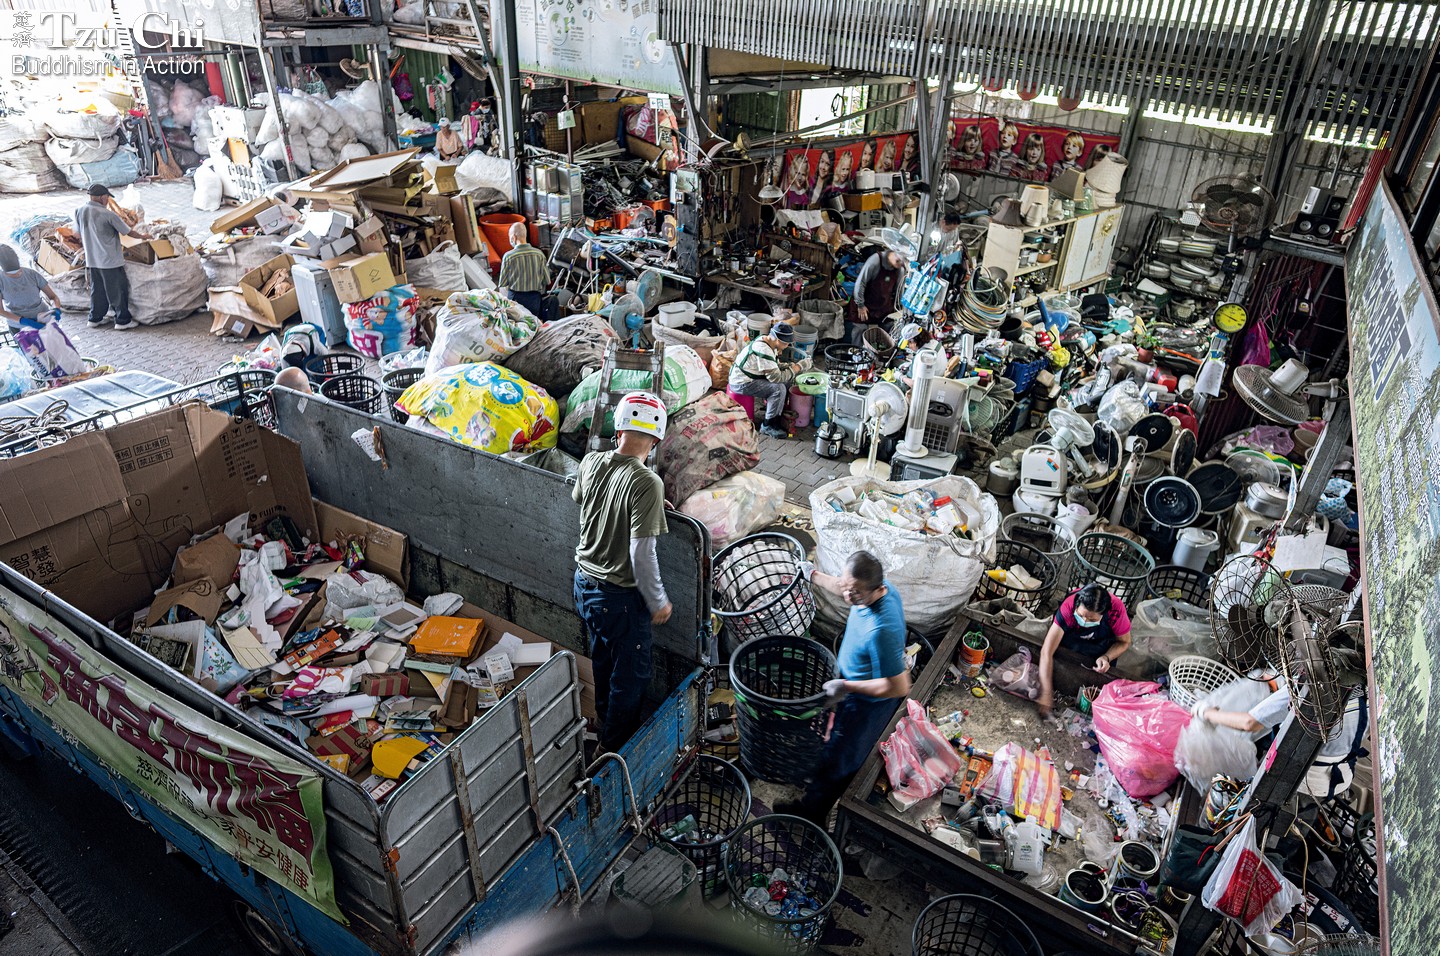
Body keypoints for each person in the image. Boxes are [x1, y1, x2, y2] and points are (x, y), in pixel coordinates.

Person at [776, 551, 910, 827]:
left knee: (841, 762)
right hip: (848, 688)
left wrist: (846, 686)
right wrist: (811, 574)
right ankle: (816, 779)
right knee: (827, 742)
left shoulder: (880, 629)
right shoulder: (868, 588)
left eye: (857, 594)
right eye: (848, 589)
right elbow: (844, 586)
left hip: (867, 705)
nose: (849, 598)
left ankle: (811, 815)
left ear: (879, 590)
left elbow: (899, 686)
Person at [572, 391, 673, 753]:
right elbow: (641, 553)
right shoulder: (648, 482)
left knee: (603, 662)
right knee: (629, 680)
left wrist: (646, 504)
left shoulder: (591, 462)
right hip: (621, 600)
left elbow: (583, 500)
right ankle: (612, 754)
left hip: (584, 587)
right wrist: (658, 600)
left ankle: (602, 729)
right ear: (656, 439)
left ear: (619, 430)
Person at [1190, 665, 1369, 800]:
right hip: (1340, 778)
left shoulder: (1307, 690)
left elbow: (1248, 723)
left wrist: (1206, 712)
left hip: (1300, 783)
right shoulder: (1367, 697)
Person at [1037, 583, 1132, 717]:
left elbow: (1124, 642)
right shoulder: (1068, 606)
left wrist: (1106, 657)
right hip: (1072, 641)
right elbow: (1047, 652)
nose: (1085, 620)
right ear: (1077, 606)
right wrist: (1046, 693)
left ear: (1104, 613)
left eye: (1092, 619)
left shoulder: (1116, 611)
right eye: (1081, 615)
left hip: (1101, 646)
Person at [74, 184, 150, 330]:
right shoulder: (108, 214)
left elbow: (77, 233)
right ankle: (122, 321)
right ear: (103, 198)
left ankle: (94, 318)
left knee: (98, 290)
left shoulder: (80, 211)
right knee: (117, 291)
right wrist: (144, 236)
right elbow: (128, 232)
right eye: (107, 198)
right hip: (109, 260)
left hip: (92, 259)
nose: (108, 201)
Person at [728, 322, 808, 439]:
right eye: (786, 344)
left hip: (752, 376)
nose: (786, 346)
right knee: (779, 388)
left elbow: (772, 365)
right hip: (742, 382)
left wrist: (788, 366)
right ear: (778, 340)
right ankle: (768, 425)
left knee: (787, 381)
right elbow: (776, 377)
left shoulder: (768, 341)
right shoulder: (763, 349)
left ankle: (776, 412)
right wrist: (798, 367)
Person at [848, 247, 907, 344]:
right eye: (898, 260)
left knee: (891, 328)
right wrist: (860, 305)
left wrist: (900, 309)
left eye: (902, 262)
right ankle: (856, 353)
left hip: (883, 306)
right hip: (865, 304)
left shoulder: (900, 269)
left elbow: (899, 290)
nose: (900, 264)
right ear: (892, 253)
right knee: (860, 329)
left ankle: (884, 355)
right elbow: (860, 283)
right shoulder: (875, 260)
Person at [0, 244, 60, 333]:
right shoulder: (1, 280)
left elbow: (53, 297)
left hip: (43, 320)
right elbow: (1, 311)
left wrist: (56, 309)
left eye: (18, 272)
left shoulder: (32, 274)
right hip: (19, 327)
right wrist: (23, 321)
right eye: (11, 274)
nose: (17, 275)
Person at [497, 221, 549, 318]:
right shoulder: (539, 254)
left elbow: (502, 283)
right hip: (535, 300)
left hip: (515, 300)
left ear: (514, 237)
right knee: (533, 324)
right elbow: (547, 280)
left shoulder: (508, 256)